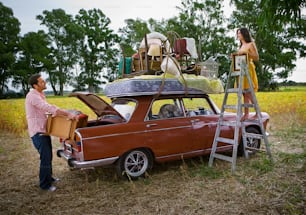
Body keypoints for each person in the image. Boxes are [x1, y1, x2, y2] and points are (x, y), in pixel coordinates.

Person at [25, 73, 78, 192]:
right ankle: (45, 185)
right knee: (45, 157)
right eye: (41, 82)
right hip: (38, 132)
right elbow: (48, 108)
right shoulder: (32, 96)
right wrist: (67, 114)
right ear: (35, 85)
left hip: (44, 131)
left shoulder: (40, 94)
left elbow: (48, 111)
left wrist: (61, 115)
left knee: (48, 157)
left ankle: (49, 177)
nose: (44, 83)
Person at [236, 27, 259, 121]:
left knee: (249, 92)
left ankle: (258, 112)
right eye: (237, 33)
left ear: (244, 34)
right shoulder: (241, 45)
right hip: (241, 70)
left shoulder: (251, 44)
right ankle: (246, 114)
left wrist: (247, 54)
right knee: (244, 93)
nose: (238, 35)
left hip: (248, 68)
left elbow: (256, 57)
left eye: (239, 33)